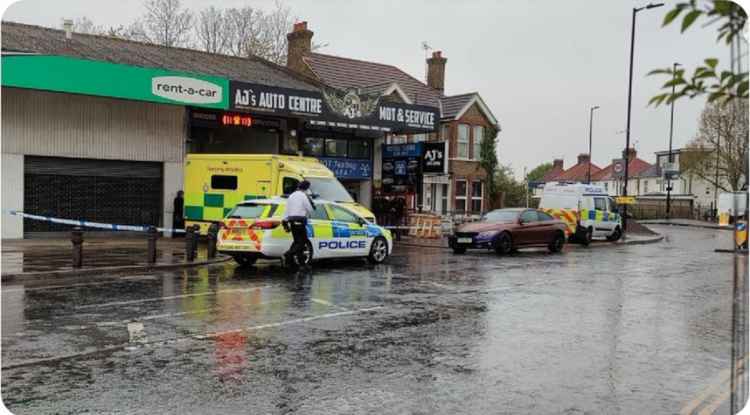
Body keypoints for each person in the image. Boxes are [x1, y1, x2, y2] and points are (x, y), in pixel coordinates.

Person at [283, 181, 315, 268]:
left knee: (297, 242)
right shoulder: (303, 196)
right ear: (306, 188)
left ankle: (302, 264)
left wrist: (285, 221)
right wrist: (311, 202)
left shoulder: (292, 195)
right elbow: (310, 209)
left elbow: (287, 209)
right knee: (303, 241)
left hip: (292, 221)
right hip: (300, 220)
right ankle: (288, 254)